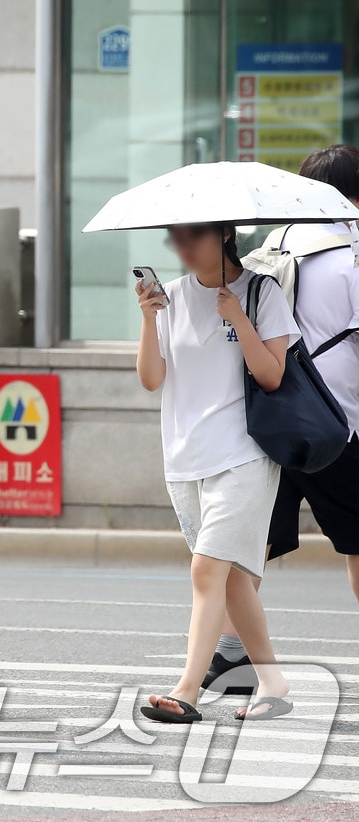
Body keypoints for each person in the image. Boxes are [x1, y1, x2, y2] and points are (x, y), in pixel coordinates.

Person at [207, 145, 359, 692]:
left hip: (267, 422)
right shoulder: (351, 262)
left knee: (255, 541)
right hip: (337, 425)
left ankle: (229, 651)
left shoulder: (264, 256)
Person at [135, 222, 299, 722]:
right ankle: (273, 683)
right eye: (174, 239)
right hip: (185, 459)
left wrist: (239, 319)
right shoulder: (173, 298)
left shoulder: (259, 291)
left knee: (208, 569)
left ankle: (187, 690)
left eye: (191, 237)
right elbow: (151, 380)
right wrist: (147, 319)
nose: (181, 248)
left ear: (224, 235)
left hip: (244, 454)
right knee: (230, 582)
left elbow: (273, 375)